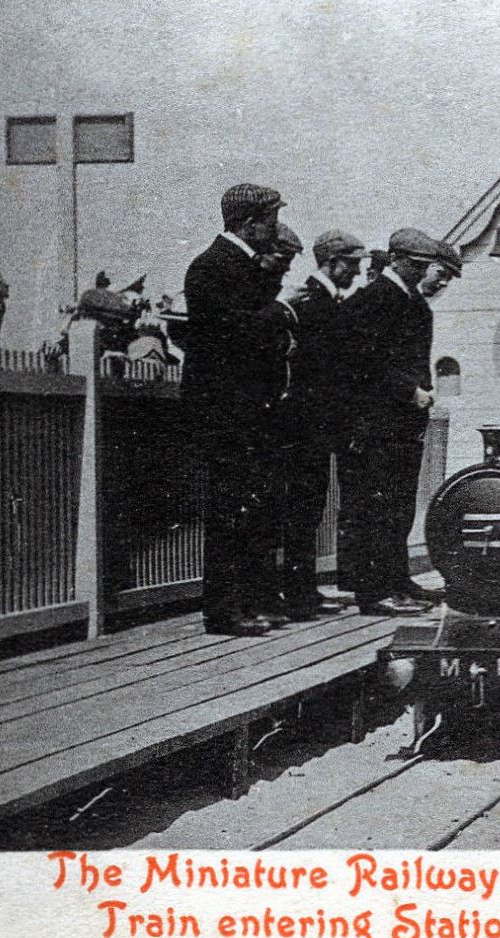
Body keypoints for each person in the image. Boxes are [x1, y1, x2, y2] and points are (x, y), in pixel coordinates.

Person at [181, 183, 291, 636]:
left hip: (249, 409)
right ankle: (224, 611)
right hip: (225, 411)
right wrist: (281, 314)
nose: (276, 227)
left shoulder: (243, 267)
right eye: (270, 218)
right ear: (248, 222)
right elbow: (228, 331)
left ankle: (243, 603)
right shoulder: (210, 267)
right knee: (229, 510)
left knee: (248, 509)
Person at [339, 227, 461, 617]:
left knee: (396, 507)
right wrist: (411, 392)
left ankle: (395, 580)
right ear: (396, 259)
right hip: (377, 423)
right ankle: (373, 592)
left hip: (401, 425)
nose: (423, 272)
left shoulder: (407, 300)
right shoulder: (377, 299)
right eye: (417, 265)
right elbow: (365, 362)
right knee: (374, 506)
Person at [273, 229, 370, 619]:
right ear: (332, 263)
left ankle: (303, 590)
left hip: (317, 423)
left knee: (310, 508)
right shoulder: (315, 304)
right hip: (308, 423)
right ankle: (298, 594)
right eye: (352, 263)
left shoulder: (326, 302)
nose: (358, 271)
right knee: (303, 509)